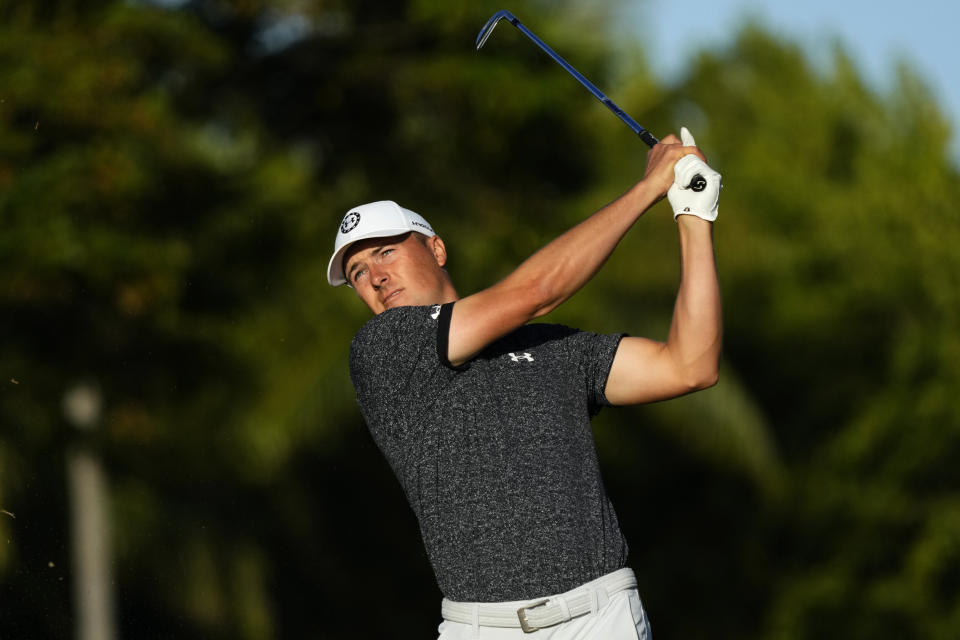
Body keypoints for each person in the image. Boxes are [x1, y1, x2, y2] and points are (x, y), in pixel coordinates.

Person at [327, 128, 722, 639]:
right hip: (481, 628)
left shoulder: (549, 346)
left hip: (601, 619)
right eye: (357, 271)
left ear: (437, 248)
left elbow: (691, 365)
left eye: (385, 252)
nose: (375, 277)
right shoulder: (383, 352)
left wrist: (693, 215)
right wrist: (647, 188)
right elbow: (538, 289)